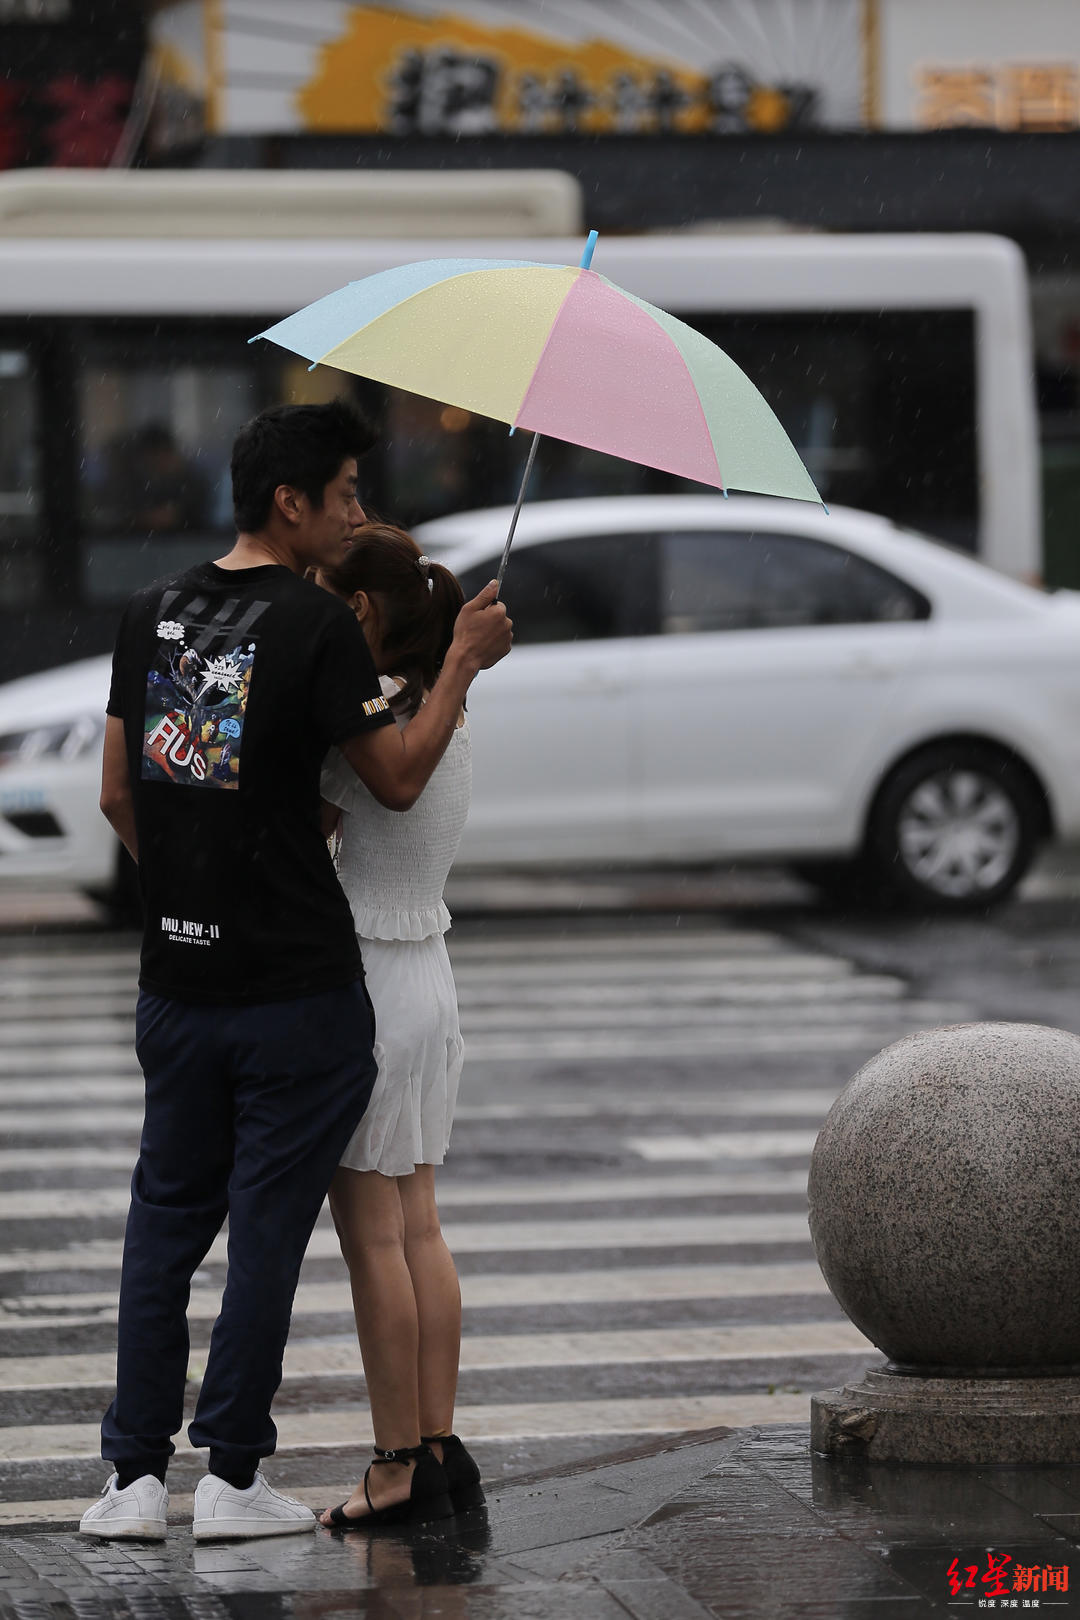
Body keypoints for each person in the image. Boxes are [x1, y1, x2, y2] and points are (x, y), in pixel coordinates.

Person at [80, 401, 512, 1544]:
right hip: (294, 992)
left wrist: (190, 894)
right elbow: (399, 780)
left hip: (175, 982)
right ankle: (229, 1477)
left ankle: (129, 1480)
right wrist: (461, 659)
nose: (358, 513)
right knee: (270, 1233)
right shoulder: (316, 631)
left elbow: (124, 794)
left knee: (162, 1227)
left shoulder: (153, 612)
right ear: (295, 502)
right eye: (349, 494)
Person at [309, 524, 479, 1529]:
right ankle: (439, 1443)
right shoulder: (450, 712)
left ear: (361, 612)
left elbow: (304, 834)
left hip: (368, 979)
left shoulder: (372, 726)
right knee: (419, 1226)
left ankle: (394, 1463)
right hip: (430, 975)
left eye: (328, 600)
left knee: (373, 1238)